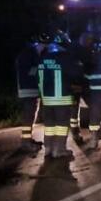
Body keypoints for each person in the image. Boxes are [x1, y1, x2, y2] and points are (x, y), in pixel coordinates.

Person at [37, 31, 83, 159]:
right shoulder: (65, 57)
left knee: (50, 125)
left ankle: (48, 149)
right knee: (62, 125)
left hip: (46, 99)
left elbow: (37, 77)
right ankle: (60, 150)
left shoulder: (43, 57)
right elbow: (76, 74)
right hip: (62, 98)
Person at [14, 35, 45, 152]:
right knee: (28, 117)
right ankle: (26, 142)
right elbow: (30, 72)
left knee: (30, 116)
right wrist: (41, 67)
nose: (43, 49)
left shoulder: (28, 54)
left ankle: (27, 139)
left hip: (29, 90)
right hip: (28, 90)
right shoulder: (29, 55)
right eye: (43, 46)